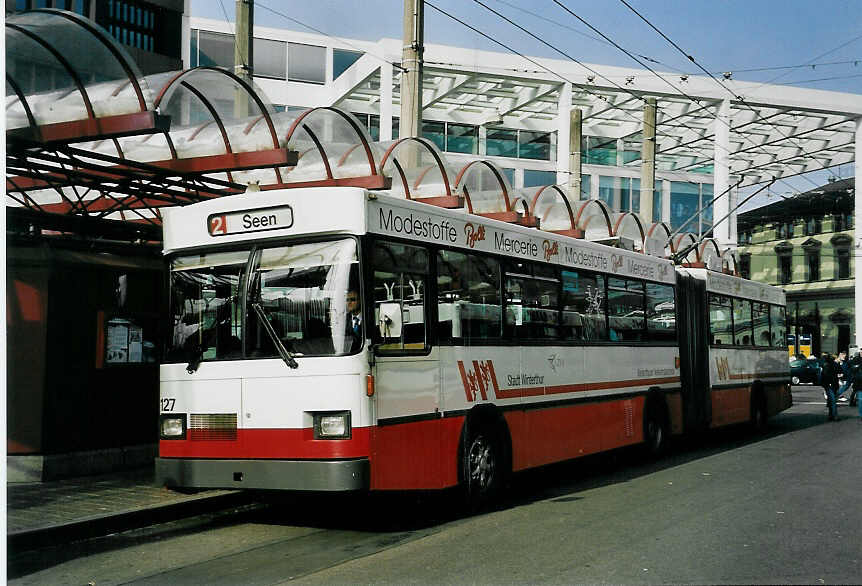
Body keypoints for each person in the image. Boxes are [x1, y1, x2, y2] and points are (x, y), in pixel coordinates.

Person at [821, 353, 840, 421]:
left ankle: (833, 415)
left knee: (831, 399)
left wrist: (823, 384)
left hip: (828, 384)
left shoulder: (825, 365)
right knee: (832, 399)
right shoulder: (835, 364)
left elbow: (824, 375)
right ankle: (832, 415)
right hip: (834, 384)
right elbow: (839, 372)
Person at [345, 288, 363, 353]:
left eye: (352, 300)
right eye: (347, 300)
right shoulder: (343, 320)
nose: (349, 303)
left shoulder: (368, 318)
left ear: (360, 301)